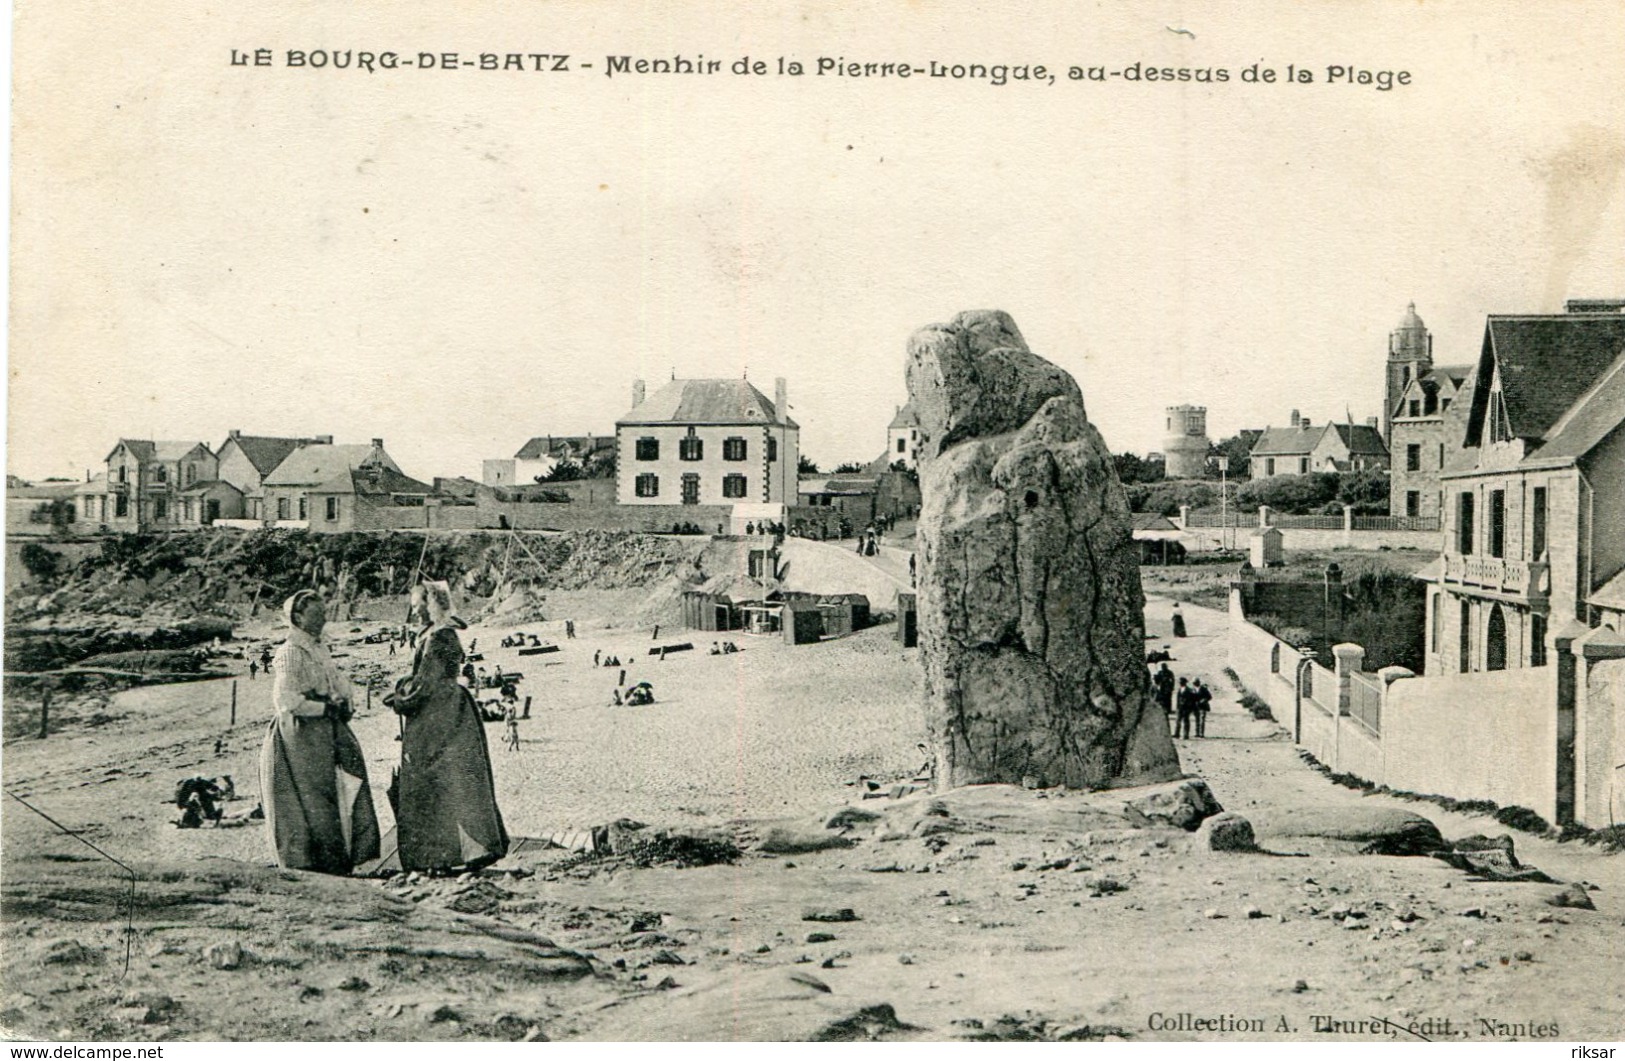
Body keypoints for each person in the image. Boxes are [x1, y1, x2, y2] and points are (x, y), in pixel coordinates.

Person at [386, 580, 509, 874]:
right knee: (454, 780)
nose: (415, 614)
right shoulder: (437, 634)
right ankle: (464, 851)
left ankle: (441, 855)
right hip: (448, 709)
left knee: (434, 779)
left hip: (439, 713)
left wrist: (400, 696)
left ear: (431, 606)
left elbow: (427, 680)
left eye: (418, 608)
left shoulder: (440, 637)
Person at [258, 590, 381, 875]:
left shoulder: (319, 648)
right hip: (302, 733)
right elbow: (286, 701)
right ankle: (315, 863)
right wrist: (324, 709)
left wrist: (342, 702)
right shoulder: (290, 652)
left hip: (327, 727)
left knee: (343, 787)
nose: (324, 618)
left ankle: (342, 858)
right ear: (298, 617)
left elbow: (336, 681)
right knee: (313, 797)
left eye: (324, 612)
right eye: (317, 613)